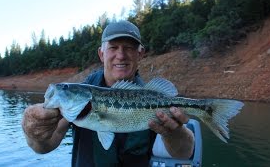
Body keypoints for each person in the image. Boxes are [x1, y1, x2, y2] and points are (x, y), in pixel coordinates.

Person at [22, 20, 195, 166]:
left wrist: (175, 132)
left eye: (128, 48)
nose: (121, 55)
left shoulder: (152, 95)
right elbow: (44, 146)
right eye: (113, 47)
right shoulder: (82, 94)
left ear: (140, 54)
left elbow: (185, 153)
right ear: (101, 54)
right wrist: (33, 133)